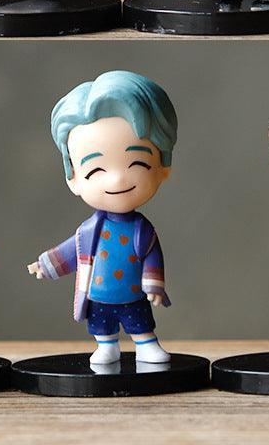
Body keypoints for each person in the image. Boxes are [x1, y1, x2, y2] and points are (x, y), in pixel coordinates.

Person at [27, 70, 177, 365]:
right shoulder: (87, 232)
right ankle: (107, 346)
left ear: (163, 166)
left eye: (137, 163)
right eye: (96, 169)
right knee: (101, 327)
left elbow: (153, 258)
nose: (117, 179)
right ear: (73, 178)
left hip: (133, 295)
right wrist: (46, 264)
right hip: (98, 296)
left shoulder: (142, 230)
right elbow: (71, 252)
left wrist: (153, 286)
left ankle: (146, 344)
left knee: (140, 324)